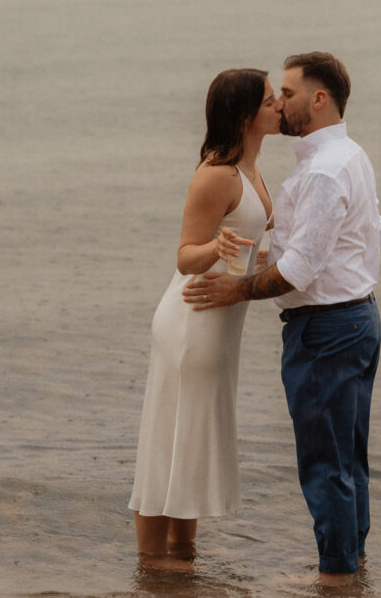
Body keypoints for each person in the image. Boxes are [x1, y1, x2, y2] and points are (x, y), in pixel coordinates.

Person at [182, 52, 381, 586]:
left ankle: (336, 578)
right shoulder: (350, 156)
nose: (280, 103)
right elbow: (347, 243)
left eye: (288, 94)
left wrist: (235, 290)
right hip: (357, 319)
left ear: (319, 99)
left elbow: (298, 269)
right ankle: (352, 567)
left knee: (325, 467)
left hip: (327, 331)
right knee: (348, 461)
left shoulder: (321, 170)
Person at [128, 68, 279, 571]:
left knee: (190, 439)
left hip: (220, 320)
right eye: (269, 100)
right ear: (244, 115)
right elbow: (184, 256)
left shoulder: (252, 170)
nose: (279, 105)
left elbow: (253, 246)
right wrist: (214, 245)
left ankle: (183, 555)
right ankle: (152, 562)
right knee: (170, 441)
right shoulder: (217, 173)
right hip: (192, 319)